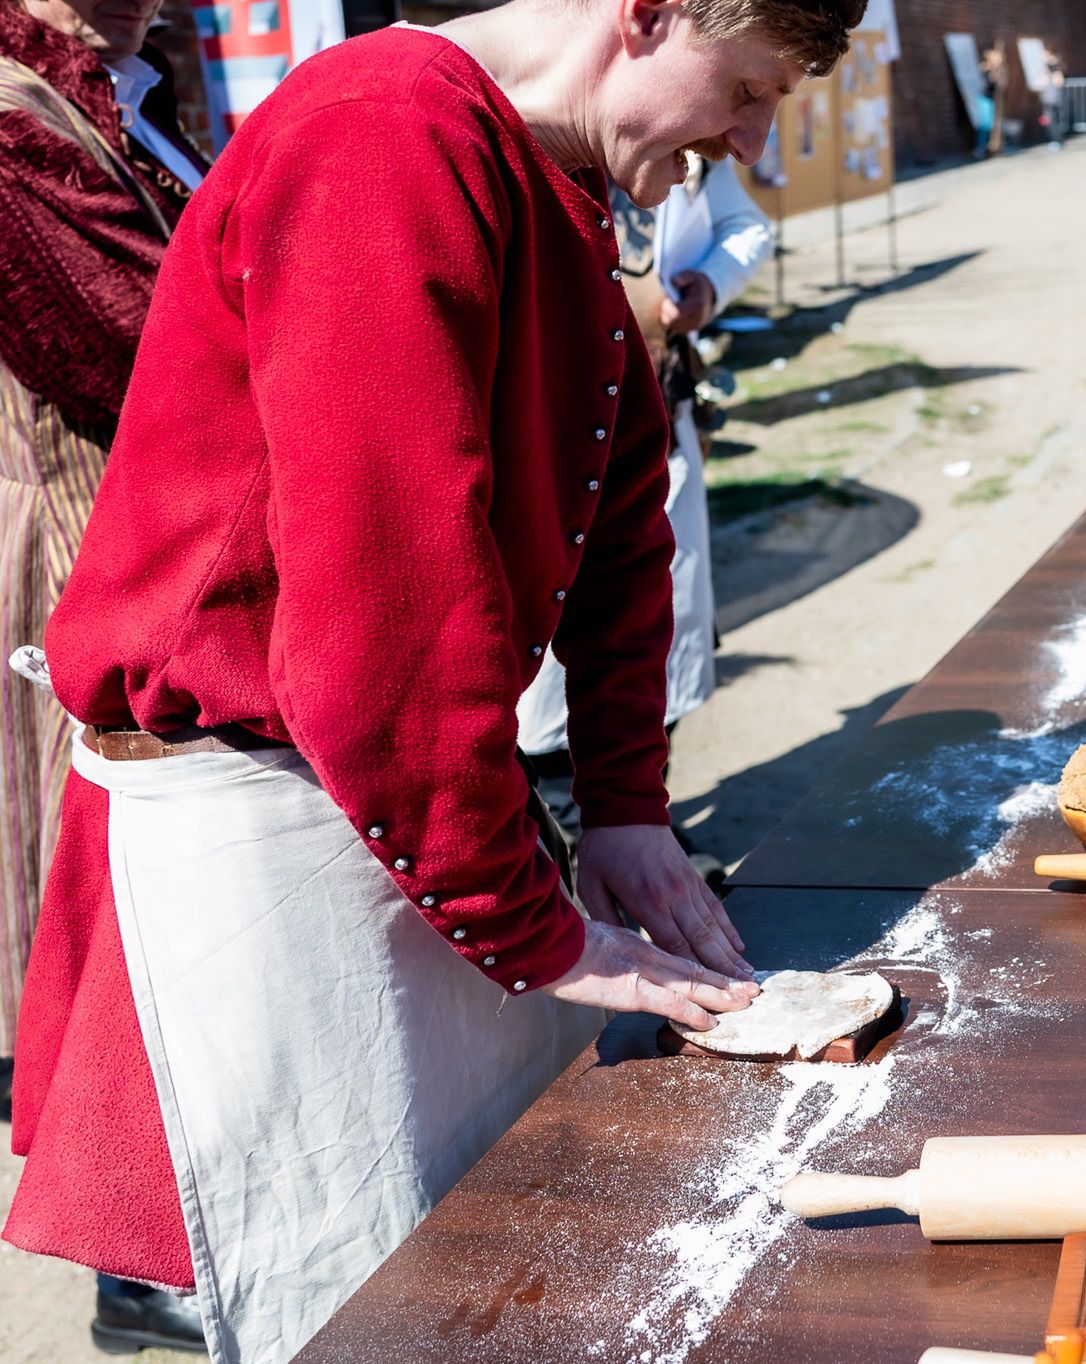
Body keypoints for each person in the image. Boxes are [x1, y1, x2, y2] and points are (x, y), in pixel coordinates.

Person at [2, 2, 864, 1360]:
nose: (750, 141)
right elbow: (383, 597)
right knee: (351, 1311)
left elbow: (620, 507)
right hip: (257, 827)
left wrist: (628, 808)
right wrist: (525, 920)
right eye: (749, 88)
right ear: (645, 17)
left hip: (378, 804)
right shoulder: (385, 133)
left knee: (498, 1269)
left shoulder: (549, 174)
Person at [0, 0, 209, 1350]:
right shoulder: (18, 116)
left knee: (170, 901)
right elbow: (142, 345)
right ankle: (142, 1263)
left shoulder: (123, 92)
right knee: (125, 897)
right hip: (89, 552)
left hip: (165, 552)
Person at [518, 152, 773, 866]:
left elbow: (745, 226)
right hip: (552, 422)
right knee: (552, 641)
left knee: (663, 607)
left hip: (658, 409)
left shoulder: (694, 136)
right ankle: (569, 828)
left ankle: (639, 818)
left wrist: (708, 287)